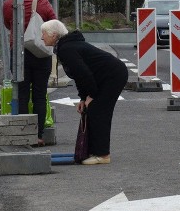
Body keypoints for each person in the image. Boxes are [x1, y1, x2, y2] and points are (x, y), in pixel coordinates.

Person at [40, 19, 128, 165]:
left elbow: (84, 75)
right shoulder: (66, 46)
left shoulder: (66, 49)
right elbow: (79, 76)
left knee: (99, 111)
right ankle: (96, 151)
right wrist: (83, 98)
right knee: (93, 110)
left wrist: (91, 96)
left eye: (43, 34)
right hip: (105, 76)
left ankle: (102, 155)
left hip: (113, 75)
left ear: (54, 35)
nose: (42, 37)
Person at [3, 0, 57, 146]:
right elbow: (54, 23)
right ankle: (38, 135)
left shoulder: (8, 4)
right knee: (40, 95)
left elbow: (8, 25)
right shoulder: (43, 3)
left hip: (19, 54)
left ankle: (24, 135)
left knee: (23, 94)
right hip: (41, 54)